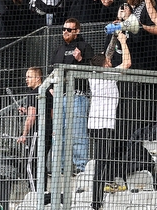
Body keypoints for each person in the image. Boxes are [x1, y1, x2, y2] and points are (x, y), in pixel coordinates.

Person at [88, 31, 132, 208]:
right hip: (104, 125)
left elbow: (108, 53)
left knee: (104, 160)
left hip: (94, 125)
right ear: (105, 66)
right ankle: (96, 202)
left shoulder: (94, 74)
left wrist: (114, 36)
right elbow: (127, 63)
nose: (111, 62)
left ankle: (100, 195)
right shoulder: (108, 75)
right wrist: (123, 41)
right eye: (109, 62)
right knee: (101, 163)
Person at [50, 18, 94, 173]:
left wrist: (80, 60)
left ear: (77, 31)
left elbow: (92, 69)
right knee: (58, 134)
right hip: (60, 96)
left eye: (69, 29)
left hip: (78, 95)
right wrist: (50, 88)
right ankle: (59, 167)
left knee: (78, 133)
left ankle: (82, 167)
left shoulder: (84, 47)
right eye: (64, 29)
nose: (65, 32)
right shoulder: (58, 49)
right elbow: (52, 72)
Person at [17, 66, 52, 194]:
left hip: (37, 132)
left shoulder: (33, 93)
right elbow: (49, 112)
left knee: (31, 163)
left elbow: (32, 117)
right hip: (48, 131)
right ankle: (42, 191)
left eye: (29, 77)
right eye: (26, 77)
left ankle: (35, 193)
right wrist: (26, 110)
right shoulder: (47, 91)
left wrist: (24, 134)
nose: (27, 79)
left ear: (38, 78)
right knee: (41, 162)